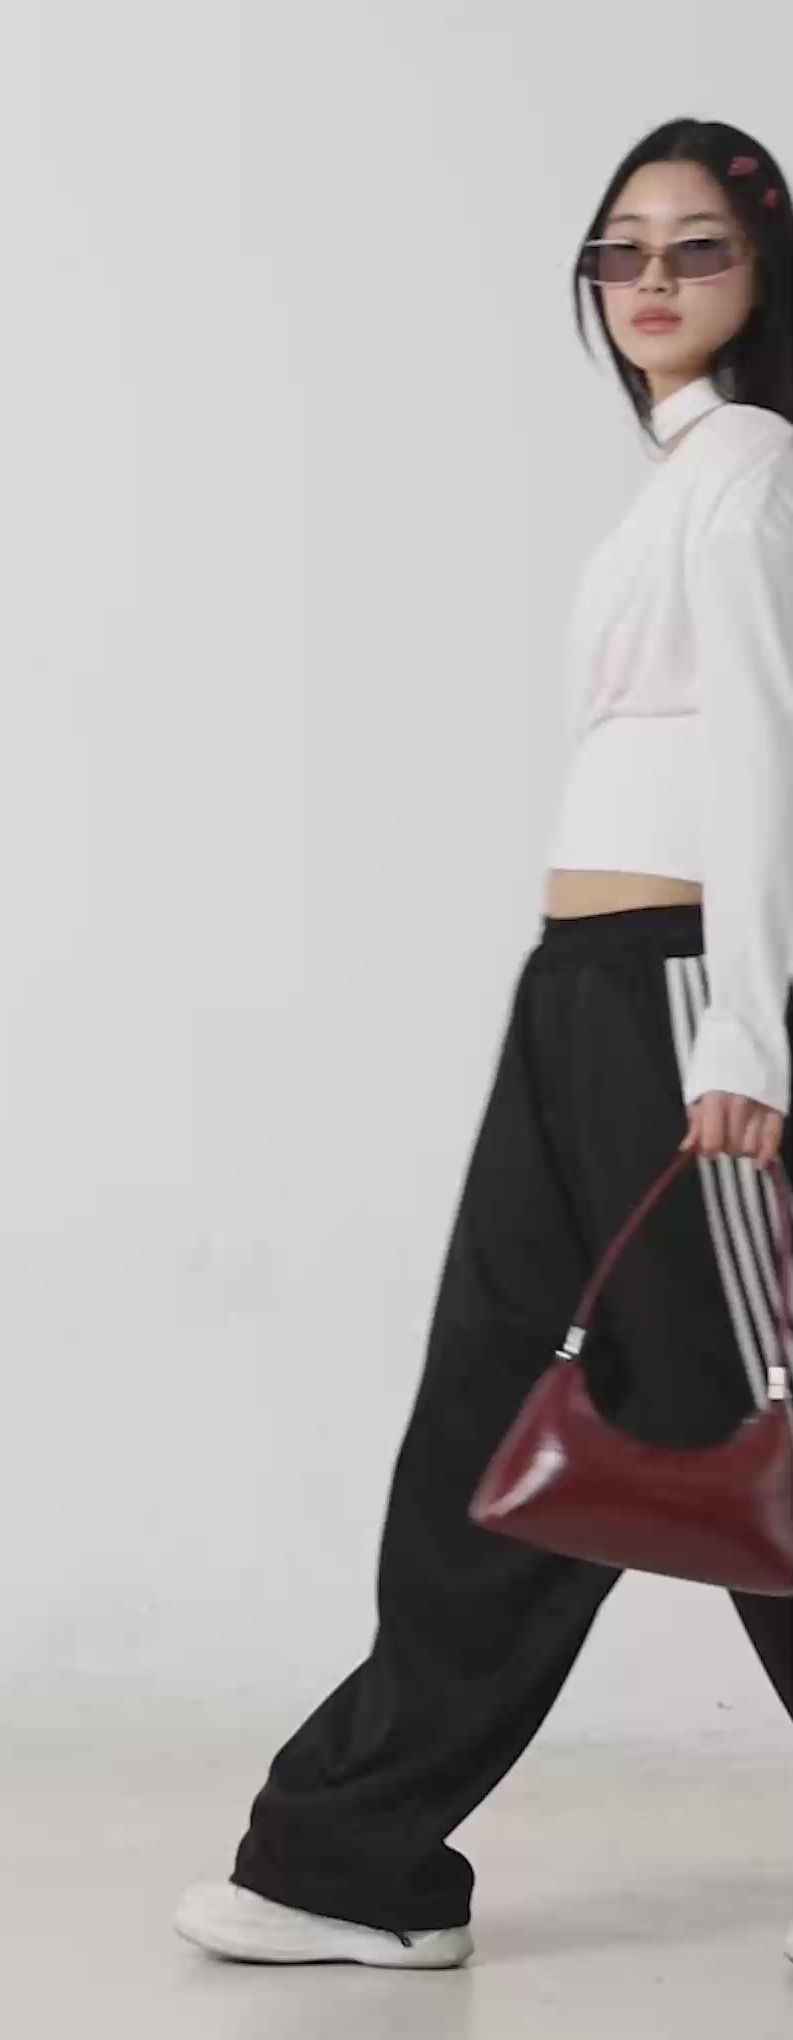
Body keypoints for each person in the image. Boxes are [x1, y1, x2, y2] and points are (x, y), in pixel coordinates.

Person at [174, 116, 793, 1974]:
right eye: (623, 250)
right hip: (582, 992)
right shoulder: (680, 475)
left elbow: (770, 762)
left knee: (747, 1437)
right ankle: (342, 1855)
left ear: (764, 273)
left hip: (686, 996)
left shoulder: (752, 466)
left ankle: (349, 1842)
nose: (653, 280)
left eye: (697, 246)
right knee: (491, 1416)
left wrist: (749, 1029)